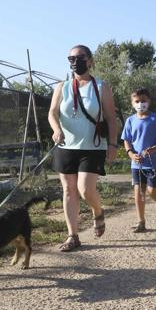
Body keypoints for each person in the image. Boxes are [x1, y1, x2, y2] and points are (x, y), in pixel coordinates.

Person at [48, 44, 118, 252]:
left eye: (80, 57)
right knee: (69, 190)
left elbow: (111, 118)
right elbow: (52, 113)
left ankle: (98, 210)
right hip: (66, 144)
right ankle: (73, 236)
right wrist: (56, 129)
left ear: (90, 60)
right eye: (71, 58)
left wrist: (113, 144)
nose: (75, 61)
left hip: (93, 146)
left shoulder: (101, 87)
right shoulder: (62, 87)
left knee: (85, 189)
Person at [121, 87, 156, 233]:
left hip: (153, 163)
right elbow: (126, 140)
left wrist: (153, 149)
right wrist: (130, 153)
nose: (140, 103)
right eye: (137, 101)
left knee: (151, 189)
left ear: (149, 101)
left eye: (143, 101)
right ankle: (141, 222)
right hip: (137, 163)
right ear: (132, 103)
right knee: (138, 192)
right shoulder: (130, 120)